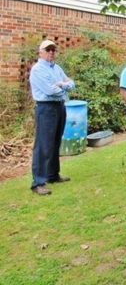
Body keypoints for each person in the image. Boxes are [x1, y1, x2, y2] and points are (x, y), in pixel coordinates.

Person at [29, 39, 75, 195]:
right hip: (46, 108)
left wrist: (61, 85)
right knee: (43, 145)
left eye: (53, 50)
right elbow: (49, 90)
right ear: (40, 52)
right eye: (48, 50)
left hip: (60, 107)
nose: (51, 53)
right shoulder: (38, 69)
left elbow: (72, 84)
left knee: (56, 142)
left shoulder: (57, 68)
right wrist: (63, 85)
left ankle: (53, 175)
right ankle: (38, 183)